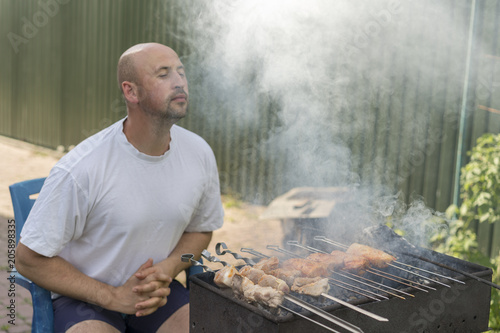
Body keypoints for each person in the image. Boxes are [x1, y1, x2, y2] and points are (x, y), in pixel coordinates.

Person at [16, 42, 224, 333]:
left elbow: (201, 229)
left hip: (154, 292)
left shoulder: (198, 152)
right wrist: (113, 297)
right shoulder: (82, 169)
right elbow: (27, 259)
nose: (179, 81)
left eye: (180, 72)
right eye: (163, 74)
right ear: (131, 91)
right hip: (85, 296)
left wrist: (169, 269)